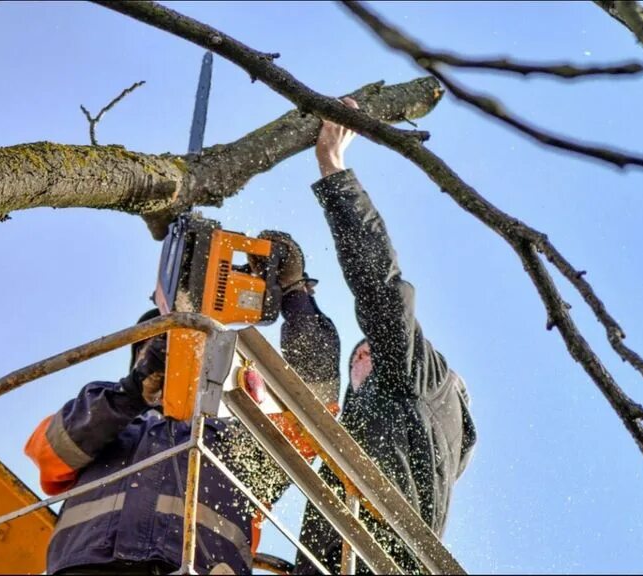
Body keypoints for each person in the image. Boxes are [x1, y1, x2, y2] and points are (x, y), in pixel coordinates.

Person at [24, 239, 341, 575]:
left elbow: (313, 408)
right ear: (139, 360)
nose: (173, 352)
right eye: (160, 344)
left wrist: (295, 293)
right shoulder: (103, 416)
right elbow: (50, 452)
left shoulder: (237, 441)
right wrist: (132, 393)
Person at [294, 99, 478, 574]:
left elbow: (381, 291)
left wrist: (333, 169)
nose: (357, 362)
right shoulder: (396, 426)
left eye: (366, 350)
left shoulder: (419, 381)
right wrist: (295, 297)